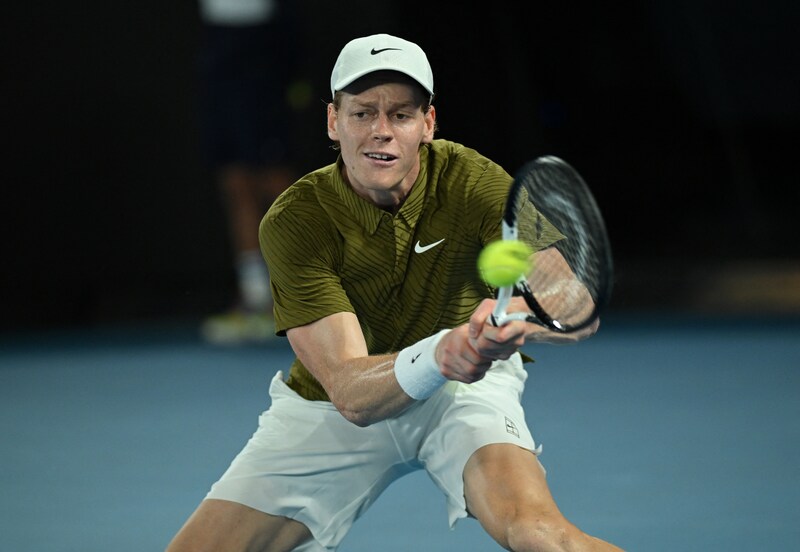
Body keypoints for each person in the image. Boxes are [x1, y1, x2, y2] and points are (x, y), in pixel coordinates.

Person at [167, 33, 624, 551]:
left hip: (463, 394)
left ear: (428, 124)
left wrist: (521, 316)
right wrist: (442, 351)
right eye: (362, 113)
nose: (381, 131)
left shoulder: (470, 180)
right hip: (334, 406)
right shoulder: (297, 220)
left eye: (401, 115)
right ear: (333, 122)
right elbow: (350, 392)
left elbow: (574, 300)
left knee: (540, 535)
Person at [196, 0, 300, 344]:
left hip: (263, 43)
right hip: (217, 45)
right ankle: (256, 299)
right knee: (235, 181)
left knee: (275, 180)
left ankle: (303, 289)